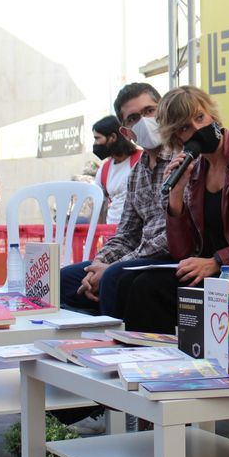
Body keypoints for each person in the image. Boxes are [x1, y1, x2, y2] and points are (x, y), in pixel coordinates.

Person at [119, 85, 229, 335]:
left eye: (200, 117)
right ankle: (154, 363)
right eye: (185, 127)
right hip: (221, 273)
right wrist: (176, 197)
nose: (197, 129)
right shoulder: (195, 172)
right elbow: (182, 252)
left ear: (212, 114)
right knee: (144, 286)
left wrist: (218, 261)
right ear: (177, 139)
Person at [60, 83, 172, 317]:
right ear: (126, 132)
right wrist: (97, 265)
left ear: (163, 110)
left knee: (112, 277)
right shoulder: (136, 173)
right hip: (136, 259)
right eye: (133, 118)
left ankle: (112, 347)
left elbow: (169, 236)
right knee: (63, 280)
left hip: (170, 259)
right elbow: (126, 233)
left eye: (149, 111)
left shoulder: (181, 160)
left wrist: (109, 268)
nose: (143, 121)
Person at [91, 114, 143, 225]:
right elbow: (98, 210)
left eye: (97, 138)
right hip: (111, 236)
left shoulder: (142, 160)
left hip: (138, 235)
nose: (95, 144)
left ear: (112, 138)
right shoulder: (104, 170)